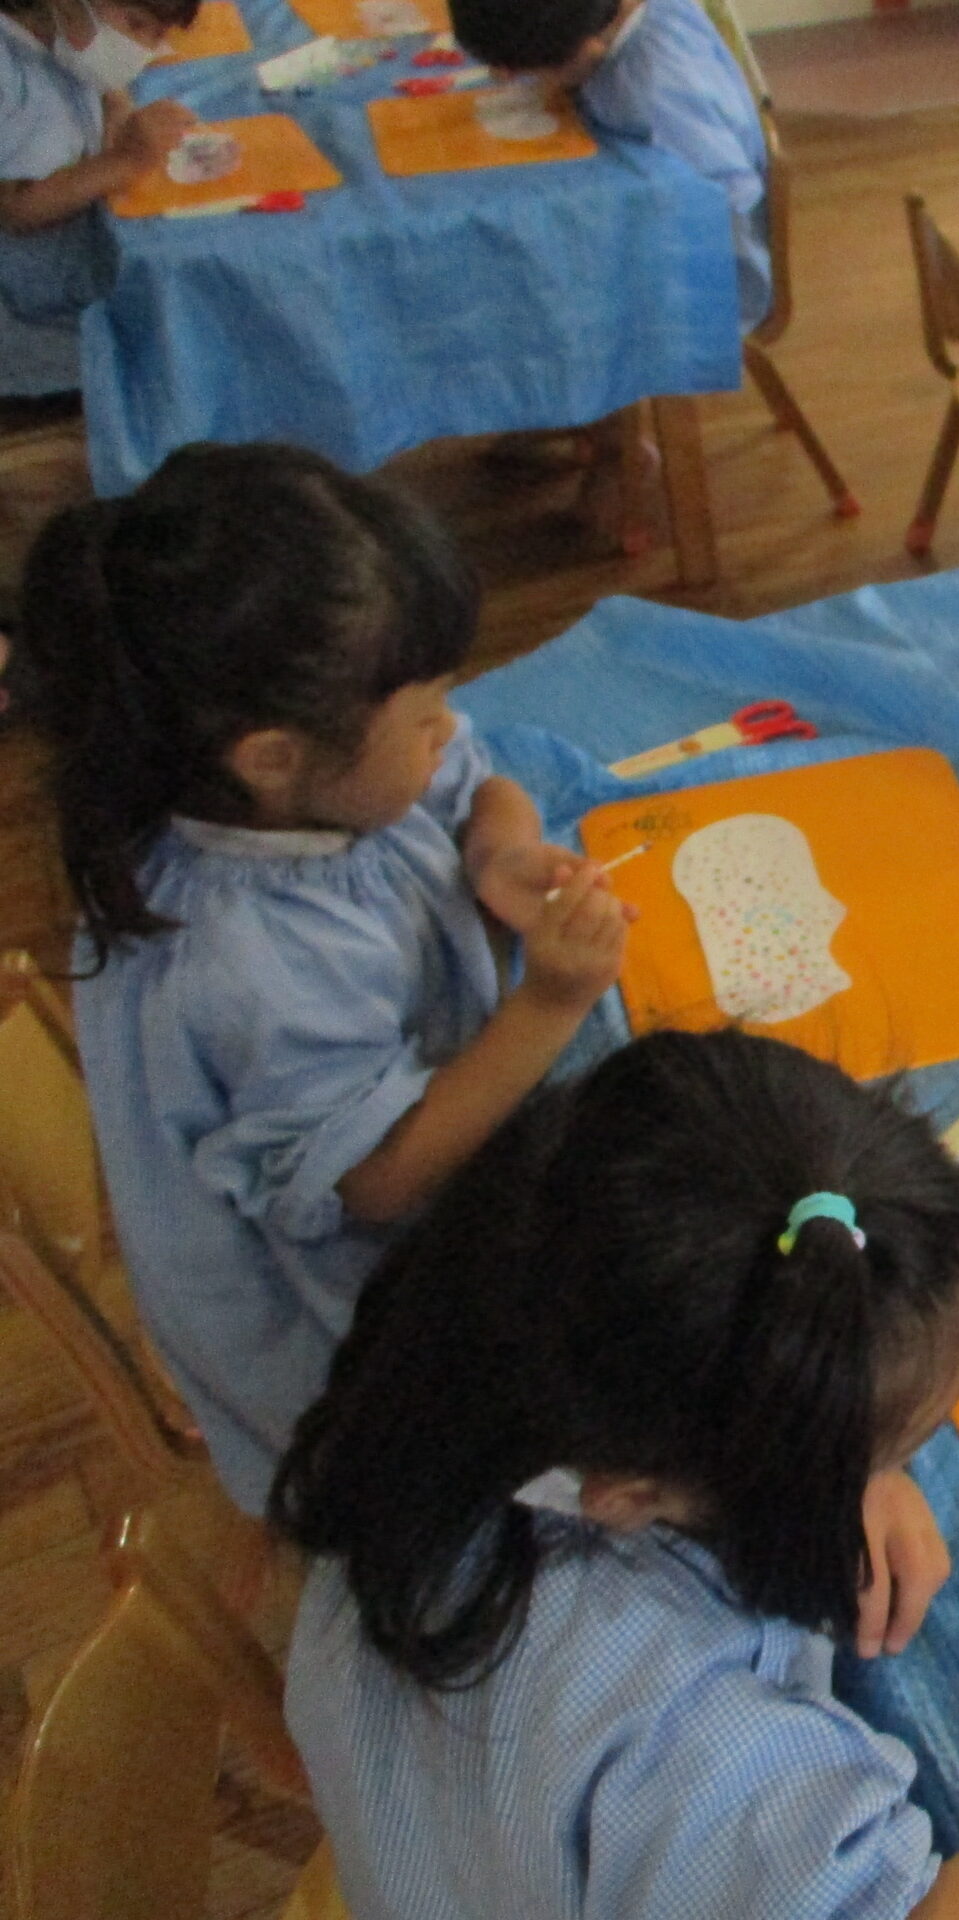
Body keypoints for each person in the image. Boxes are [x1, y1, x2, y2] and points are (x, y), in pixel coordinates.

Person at [274, 1028, 959, 1920]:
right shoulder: (691, 1733)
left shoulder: (461, 1362)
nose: (896, 1470)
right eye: (888, 1448)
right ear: (631, 1496)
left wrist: (839, 1460)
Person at [8, 443, 630, 1510]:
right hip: (351, 1336)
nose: (449, 731)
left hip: (426, 1129)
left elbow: (482, 781)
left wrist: (500, 849)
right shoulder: (248, 966)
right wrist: (549, 1003)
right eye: (424, 718)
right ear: (271, 756)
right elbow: (383, 1179)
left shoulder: (300, 781)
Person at [449, 0, 772, 329]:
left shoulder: (657, 89)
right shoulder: (631, 20)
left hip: (709, 279)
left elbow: (725, 200)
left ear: (586, 49)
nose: (506, 77)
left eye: (524, 71)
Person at [0, 0, 198, 400]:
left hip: (79, 253)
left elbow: (100, 75)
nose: (142, 48)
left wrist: (115, 101)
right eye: (136, 24)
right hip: (28, 306)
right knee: (178, 354)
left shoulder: (65, 36)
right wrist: (125, 161)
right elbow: (13, 210)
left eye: (159, 37)